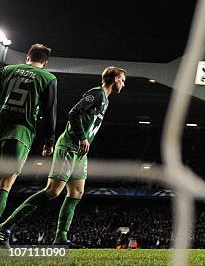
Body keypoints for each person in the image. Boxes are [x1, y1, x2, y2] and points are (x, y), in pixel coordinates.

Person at [0, 66, 126, 247]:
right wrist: (82, 137)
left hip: (80, 152)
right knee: (53, 191)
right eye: (122, 80)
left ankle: (60, 237)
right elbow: (74, 113)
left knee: (77, 192)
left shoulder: (105, 99)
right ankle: (5, 227)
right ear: (114, 79)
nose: (123, 84)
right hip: (69, 145)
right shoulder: (97, 93)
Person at [0, 44, 56, 221]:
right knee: (5, 183)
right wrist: (49, 141)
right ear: (45, 63)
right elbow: (49, 112)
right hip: (20, 133)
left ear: (27, 57)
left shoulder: (8, 69)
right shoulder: (48, 78)